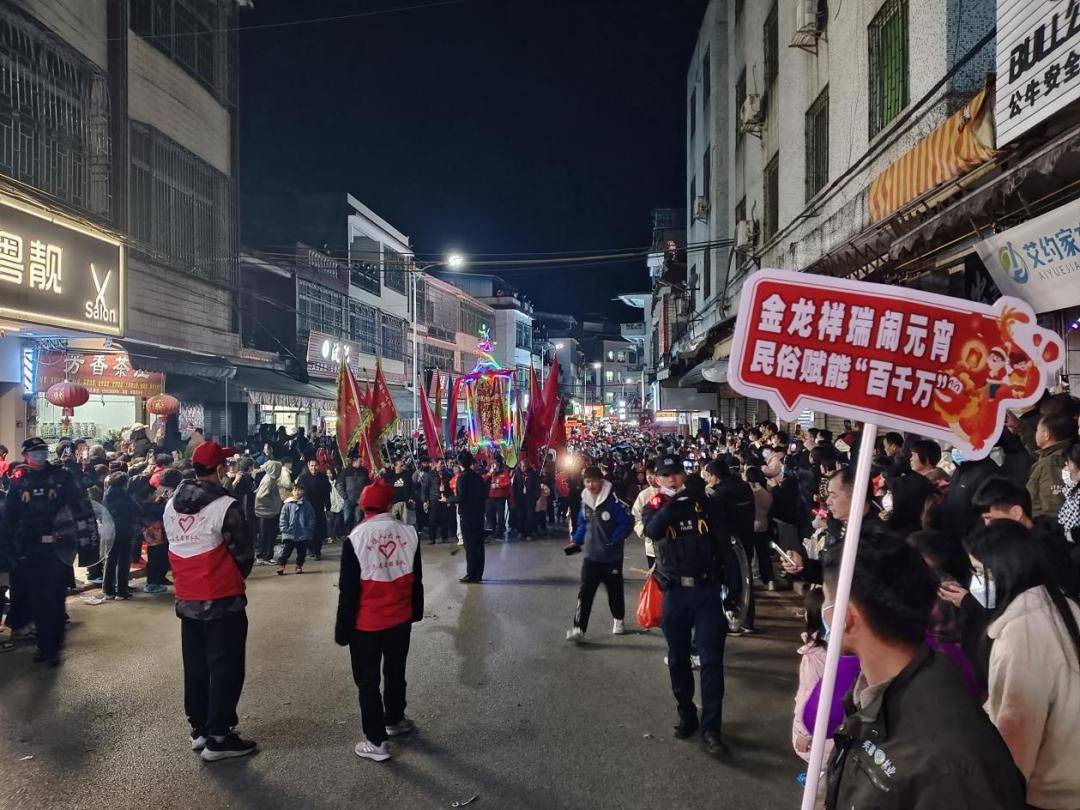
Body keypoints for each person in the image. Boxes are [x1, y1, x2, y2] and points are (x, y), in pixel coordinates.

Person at [821, 530, 1026, 809]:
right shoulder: (886, 684)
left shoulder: (946, 764)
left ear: (846, 617)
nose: (822, 609)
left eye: (825, 598)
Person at [964, 520, 1080, 809]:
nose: (976, 582)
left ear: (1005, 569)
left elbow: (1016, 736)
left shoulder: (1021, 634)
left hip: (1049, 793)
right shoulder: (1061, 605)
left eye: (980, 572)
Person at [643, 454, 742, 757]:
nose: (672, 479)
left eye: (676, 474)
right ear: (657, 479)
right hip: (675, 593)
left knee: (712, 661)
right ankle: (686, 714)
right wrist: (674, 503)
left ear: (684, 475)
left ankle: (712, 728)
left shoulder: (707, 503)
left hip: (707, 590)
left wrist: (735, 589)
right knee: (678, 659)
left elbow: (725, 545)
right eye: (665, 475)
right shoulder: (655, 505)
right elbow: (653, 530)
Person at [163, 441, 257, 762]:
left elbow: (172, 545)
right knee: (226, 666)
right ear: (218, 470)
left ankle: (200, 729)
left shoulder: (170, 505)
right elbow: (243, 554)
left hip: (187, 600)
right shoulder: (225, 506)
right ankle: (219, 736)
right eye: (225, 466)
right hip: (222, 600)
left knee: (196, 666)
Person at [335, 479, 423, 762]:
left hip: (366, 624)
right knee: (396, 672)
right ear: (389, 504)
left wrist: (343, 629)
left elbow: (348, 591)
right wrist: (415, 612)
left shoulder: (356, 538)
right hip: (399, 620)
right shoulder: (409, 533)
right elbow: (416, 580)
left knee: (368, 682)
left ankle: (376, 741)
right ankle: (394, 719)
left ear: (362, 505)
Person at [1, 437, 96, 665]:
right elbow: (10, 517)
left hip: (58, 547)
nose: (40, 455)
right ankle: (45, 646)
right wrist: (8, 550)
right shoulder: (19, 480)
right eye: (35, 452)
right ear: (25, 455)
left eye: (43, 451)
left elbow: (81, 507)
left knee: (54, 597)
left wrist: (86, 545)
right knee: (36, 598)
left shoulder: (63, 476)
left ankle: (52, 646)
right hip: (29, 549)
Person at [565, 466, 632, 642]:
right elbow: (582, 525)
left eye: (594, 481)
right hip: (591, 557)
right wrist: (576, 542)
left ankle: (618, 619)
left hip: (612, 558)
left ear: (601, 481)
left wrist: (614, 539)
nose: (591, 485)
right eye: (587, 481)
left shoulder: (613, 501)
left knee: (614, 592)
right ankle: (578, 628)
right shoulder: (584, 502)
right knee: (585, 593)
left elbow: (626, 523)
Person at [1027, 411, 1077, 518]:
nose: (1035, 434)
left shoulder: (1050, 464)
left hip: (1047, 529)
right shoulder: (1060, 454)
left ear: (1046, 435)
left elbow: (1054, 505)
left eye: (1037, 430)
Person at [103, 472, 141, 600]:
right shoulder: (124, 496)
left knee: (111, 560)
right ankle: (121, 591)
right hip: (124, 531)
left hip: (111, 531)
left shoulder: (107, 495)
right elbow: (137, 509)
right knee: (124, 561)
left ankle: (108, 590)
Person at [452, 451, 488, 583]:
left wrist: (449, 499)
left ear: (460, 463)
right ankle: (478, 573)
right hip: (478, 515)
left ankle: (471, 573)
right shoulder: (478, 478)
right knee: (479, 545)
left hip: (467, 516)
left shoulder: (462, 478)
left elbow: (461, 497)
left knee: (470, 546)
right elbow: (484, 496)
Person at [296, 458, 331, 561]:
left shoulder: (323, 478)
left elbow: (326, 494)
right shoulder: (303, 478)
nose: (313, 468)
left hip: (319, 508)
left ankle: (317, 551)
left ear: (318, 466)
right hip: (306, 508)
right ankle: (310, 549)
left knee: (318, 530)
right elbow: (298, 492)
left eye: (315, 465)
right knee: (307, 529)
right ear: (308, 465)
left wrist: (328, 506)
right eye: (311, 465)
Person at [277, 483, 315, 575]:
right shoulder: (287, 504)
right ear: (291, 492)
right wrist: (283, 527)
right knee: (286, 551)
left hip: (303, 533)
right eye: (294, 490)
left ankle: (299, 565)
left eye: (299, 490)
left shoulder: (307, 505)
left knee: (302, 552)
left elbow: (311, 517)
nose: (297, 492)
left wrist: (309, 528)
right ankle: (281, 565)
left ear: (303, 491)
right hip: (289, 533)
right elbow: (283, 517)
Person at [253, 460, 285, 565]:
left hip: (268, 512)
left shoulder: (270, 478)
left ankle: (265, 555)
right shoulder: (269, 481)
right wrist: (272, 504)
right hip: (266, 512)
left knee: (267, 534)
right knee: (267, 535)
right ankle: (264, 556)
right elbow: (260, 496)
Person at [631, 459, 659, 568]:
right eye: (647, 474)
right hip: (651, 548)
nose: (649, 477)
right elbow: (636, 517)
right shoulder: (643, 495)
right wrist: (644, 532)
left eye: (653, 474)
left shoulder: (671, 492)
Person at [340, 455, 369, 533]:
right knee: (347, 518)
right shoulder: (345, 471)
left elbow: (367, 485)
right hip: (348, 499)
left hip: (360, 500)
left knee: (358, 518)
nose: (361, 463)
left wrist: (364, 497)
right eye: (360, 461)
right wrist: (345, 497)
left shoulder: (364, 471)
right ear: (354, 461)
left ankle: (357, 533)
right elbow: (339, 485)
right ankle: (348, 533)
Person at [485, 457, 511, 540]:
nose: (493, 465)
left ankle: (499, 532)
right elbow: (482, 479)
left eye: (495, 463)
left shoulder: (504, 473)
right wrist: (490, 473)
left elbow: (507, 483)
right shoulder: (490, 473)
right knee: (490, 514)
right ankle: (492, 531)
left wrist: (498, 485)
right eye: (492, 463)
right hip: (490, 497)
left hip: (500, 498)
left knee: (500, 516)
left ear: (499, 464)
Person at [387, 459, 413, 525]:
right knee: (392, 522)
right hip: (393, 503)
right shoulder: (390, 475)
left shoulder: (407, 475)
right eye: (400, 466)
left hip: (403, 502)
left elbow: (411, 487)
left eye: (403, 465)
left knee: (404, 522)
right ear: (395, 466)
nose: (402, 467)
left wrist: (411, 498)